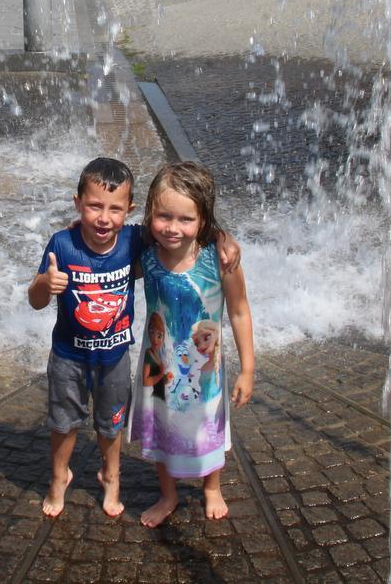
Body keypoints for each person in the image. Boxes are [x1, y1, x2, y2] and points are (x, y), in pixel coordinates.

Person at [28, 157, 239, 519]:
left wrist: (221, 235)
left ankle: (117, 478)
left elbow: (183, 226)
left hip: (121, 358)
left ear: (129, 210)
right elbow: (35, 299)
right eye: (94, 206)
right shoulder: (65, 244)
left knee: (117, 424)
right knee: (65, 423)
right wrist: (47, 283)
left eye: (115, 209)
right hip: (72, 356)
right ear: (78, 203)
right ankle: (60, 477)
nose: (103, 218)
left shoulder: (134, 239)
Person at [128, 162, 255, 528]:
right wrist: (81, 231)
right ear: (150, 212)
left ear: (203, 221)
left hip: (204, 366)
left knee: (206, 424)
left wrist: (248, 368)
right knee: (163, 425)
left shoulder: (220, 259)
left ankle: (211, 486)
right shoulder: (147, 257)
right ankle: (167, 495)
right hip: (158, 361)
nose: (172, 227)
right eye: (163, 216)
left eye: (185, 219)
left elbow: (240, 312)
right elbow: (108, 247)